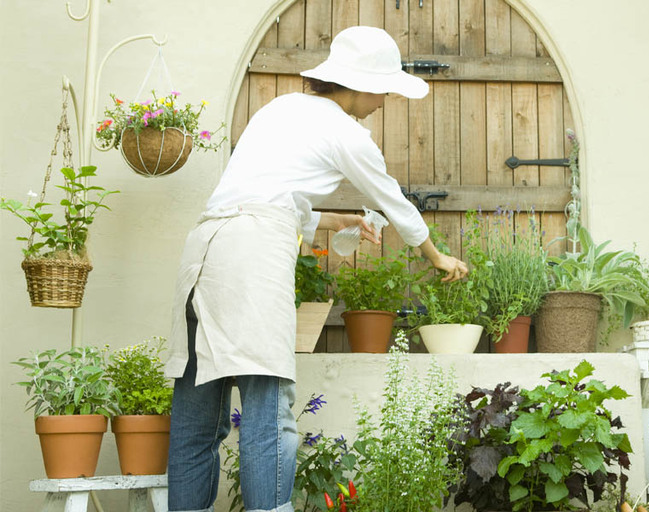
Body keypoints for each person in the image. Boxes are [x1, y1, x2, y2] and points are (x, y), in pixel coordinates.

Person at [164, 26, 467, 512]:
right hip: (252, 259)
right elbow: (394, 201)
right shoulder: (348, 133)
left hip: (205, 251)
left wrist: (336, 219)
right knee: (268, 413)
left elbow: (264, 195)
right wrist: (437, 257)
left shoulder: (280, 108)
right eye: (385, 89)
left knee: (198, 423)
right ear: (361, 84)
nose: (386, 99)